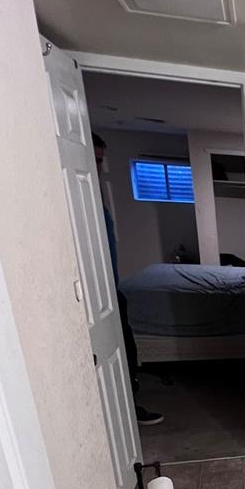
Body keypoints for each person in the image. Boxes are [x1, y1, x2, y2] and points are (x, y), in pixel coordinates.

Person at [92, 133, 164, 427]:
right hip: (102, 296)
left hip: (111, 290)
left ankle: (127, 406)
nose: (96, 166)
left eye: (99, 160)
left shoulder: (95, 200)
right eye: (95, 159)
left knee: (125, 350)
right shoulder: (82, 199)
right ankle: (124, 412)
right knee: (120, 352)